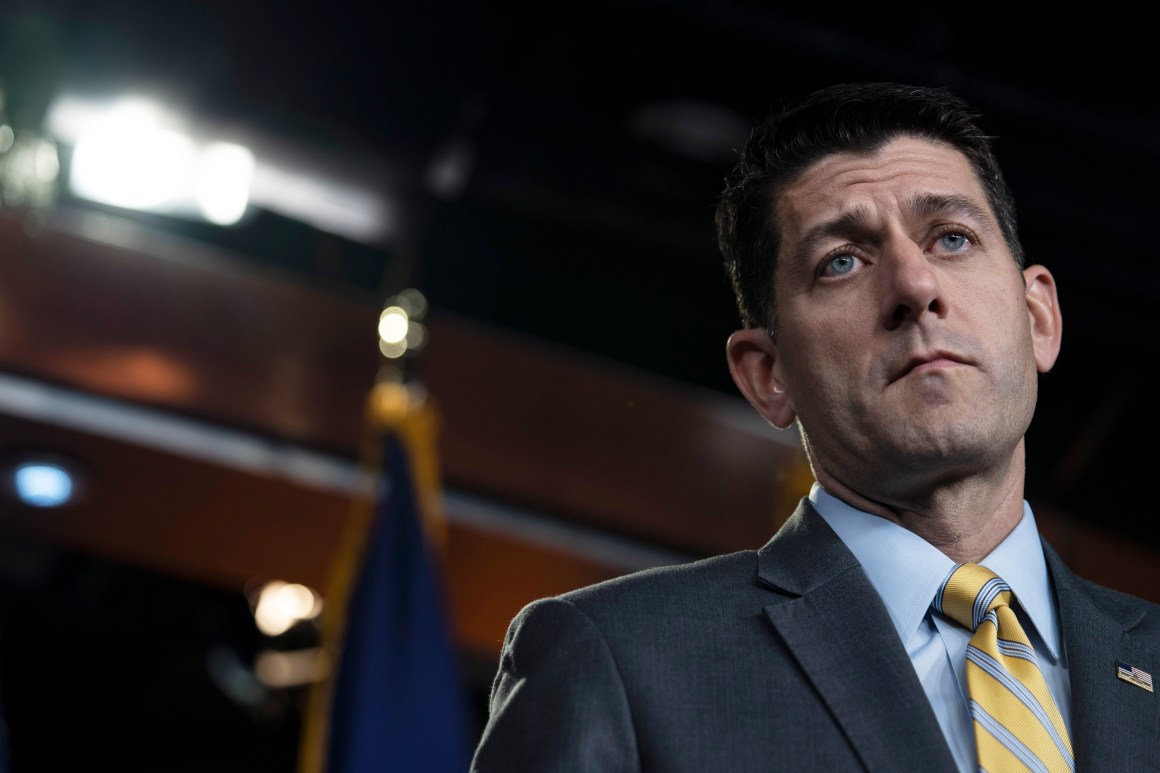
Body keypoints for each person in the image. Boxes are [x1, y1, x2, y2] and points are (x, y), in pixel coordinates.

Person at [468, 82, 1160, 772]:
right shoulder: (616, 661)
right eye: (842, 262)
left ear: (1039, 318)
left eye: (952, 237)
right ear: (768, 375)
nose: (916, 287)